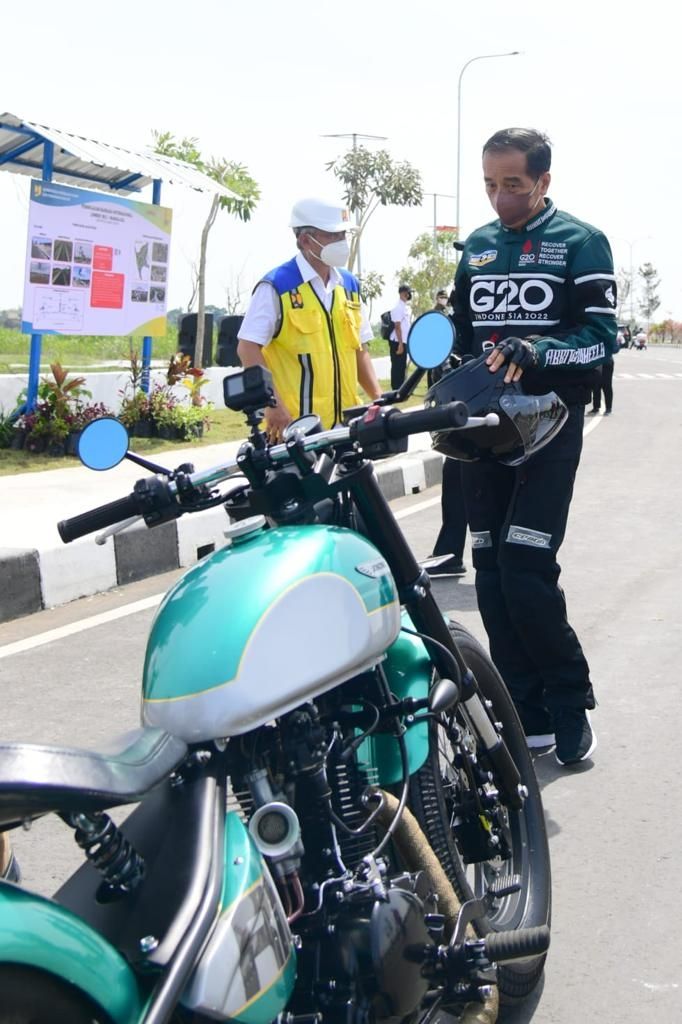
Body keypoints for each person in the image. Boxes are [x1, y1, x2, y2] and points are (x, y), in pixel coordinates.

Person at [451, 127, 617, 766]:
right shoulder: (480, 248)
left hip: (550, 428)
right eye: (490, 185)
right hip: (482, 432)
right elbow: (465, 336)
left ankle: (570, 703)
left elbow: (601, 338)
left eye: (513, 186)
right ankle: (525, 707)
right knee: (490, 574)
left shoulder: (581, 241)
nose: (499, 199)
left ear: (544, 181)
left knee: (526, 573)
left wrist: (539, 349)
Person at [237, 198, 382, 437]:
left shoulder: (349, 285)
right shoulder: (277, 286)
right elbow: (247, 347)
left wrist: (379, 399)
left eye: (343, 235)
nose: (341, 243)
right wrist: (272, 404)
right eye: (333, 236)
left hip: (347, 429)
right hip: (295, 431)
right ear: (305, 240)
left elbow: (359, 350)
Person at [422, 289, 468, 577]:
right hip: (462, 419)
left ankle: (450, 553)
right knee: (455, 484)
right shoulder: (452, 330)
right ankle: (449, 553)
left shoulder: (465, 330)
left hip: (478, 418)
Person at [388, 284, 413, 390]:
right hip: (397, 342)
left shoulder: (404, 307)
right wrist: (400, 344)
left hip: (403, 341)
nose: (409, 295)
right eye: (408, 293)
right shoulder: (397, 307)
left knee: (401, 366)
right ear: (404, 293)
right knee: (397, 366)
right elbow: (397, 327)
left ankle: (401, 387)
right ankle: (396, 388)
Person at [588, 330, 618, 415]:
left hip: (607, 362)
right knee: (595, 385)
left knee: (606, 385)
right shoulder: (592, 334)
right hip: (595, 362)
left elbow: (616, 348)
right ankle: (596, 407)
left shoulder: (609, 334)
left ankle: (608, 408)